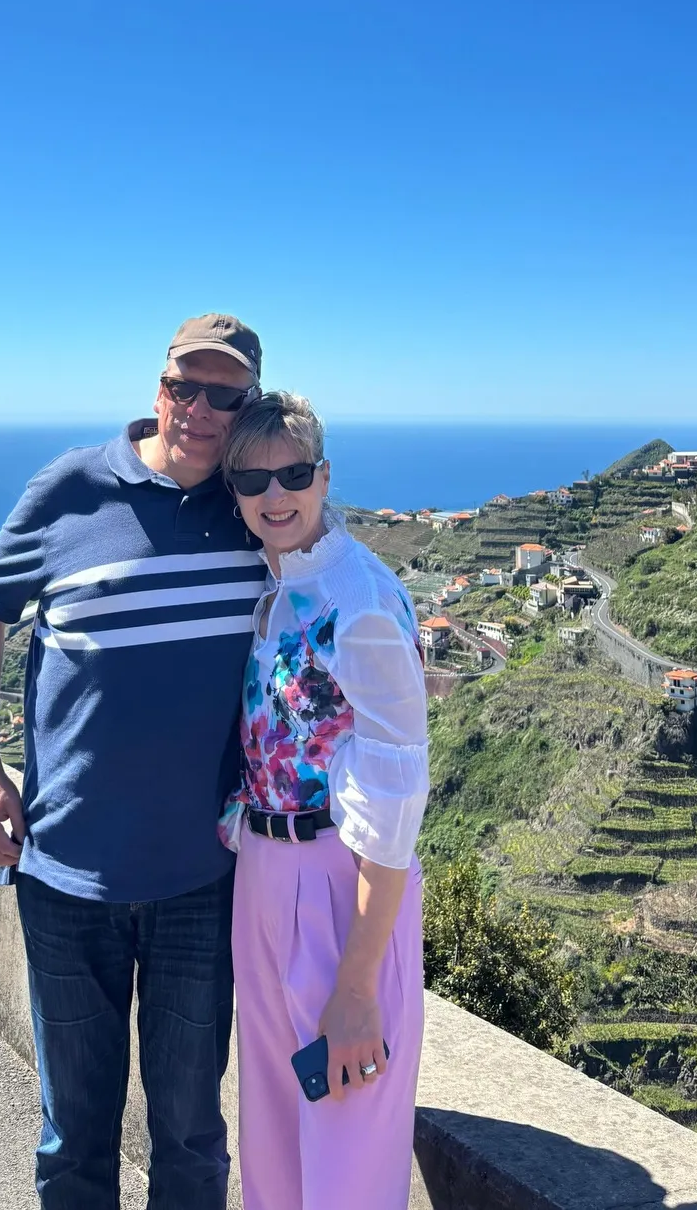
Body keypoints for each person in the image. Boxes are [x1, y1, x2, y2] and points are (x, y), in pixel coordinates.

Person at [0, 314, 266, 1209]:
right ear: (157, 390)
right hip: (66, 875)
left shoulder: (255, 505)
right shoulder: (72, 488)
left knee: (192, 1138)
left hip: (203, 879)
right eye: (182, 387)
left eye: (223, 396)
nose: (197, 409)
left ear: (247, 409)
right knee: (74, 1140)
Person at [218, 391, 428, 1210]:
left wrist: (357, 988)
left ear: (324, 476)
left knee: (346, 1156)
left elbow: (394, 808)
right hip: (266, 875)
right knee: (272, 1145)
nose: (275, 496)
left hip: (343, 885)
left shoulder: (359, 600)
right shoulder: (281, 586)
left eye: (294, 475)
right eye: (252, 480)